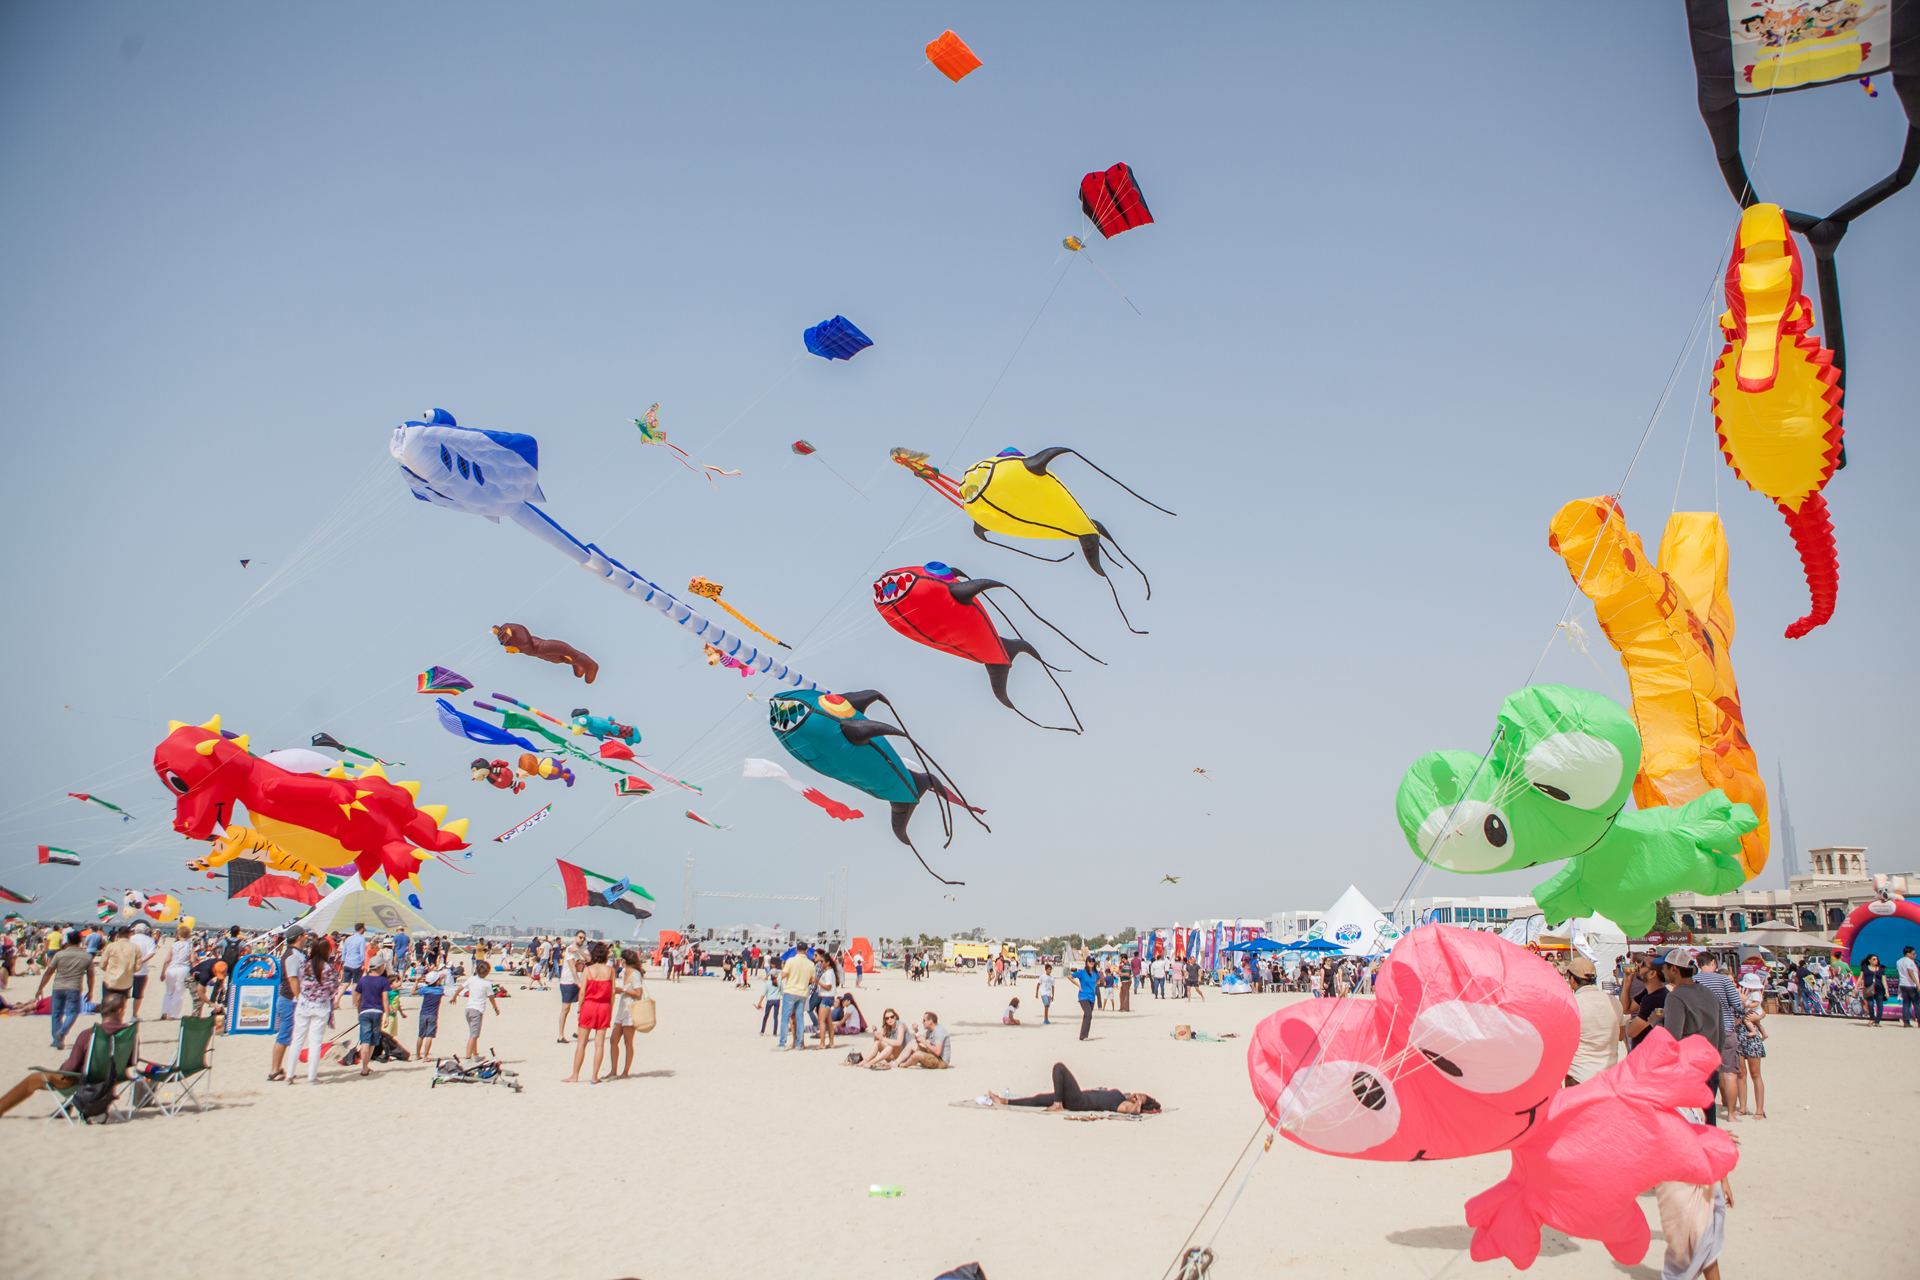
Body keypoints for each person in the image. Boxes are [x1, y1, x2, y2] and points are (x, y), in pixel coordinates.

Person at [0, 991, 131, 1117]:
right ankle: (67, 1106)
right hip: (114, 1079)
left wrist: (60, 1072)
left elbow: (70, 1067)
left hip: (84, 1082)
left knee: (34, 1079)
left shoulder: (89, 1034)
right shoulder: (128, 1034)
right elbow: (130, 1062)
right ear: (119, 1011)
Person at [1649, 947, 1727, 1124]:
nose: (1663, 971)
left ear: (1674, 969)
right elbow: (1721, 1034)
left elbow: (1672, 1038)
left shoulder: (1676, 997)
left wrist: (1655, 1021)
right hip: (1709, 1067)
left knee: (1688, 1124)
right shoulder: (1710, 994)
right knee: (1708, 1122)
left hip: (1688, 1070)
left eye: (1665, 968)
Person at [987, 1063, 1160, 1114]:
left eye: (1138, 1096)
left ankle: (1058, 1105)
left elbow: (1135, 1112)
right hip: (1078, 1098)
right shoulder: (1123, 1096)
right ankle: (1004, 1100)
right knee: (1040, 1098)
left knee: (1059, 1068)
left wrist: (1140, 1102)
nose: (1134, 1094)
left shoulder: (1126, 1105)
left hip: (1079, 1102)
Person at [1693, 954, 1743, 1116]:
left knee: (1704, 1073)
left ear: (1698, 964)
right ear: (1714, 962)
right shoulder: (1724, 980)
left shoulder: (1693, 981)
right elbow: (1737, 1004)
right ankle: (1731, 1114)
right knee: (1729, 1072)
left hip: (1702, 1031)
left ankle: (1705, 1109)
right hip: (1726, 1028)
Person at [289, 937, 339, 1085]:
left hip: (304, 1004)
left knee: (297, 1039)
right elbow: (334, 986)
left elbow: (299, 981)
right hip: (321, 1005)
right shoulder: (329, 967)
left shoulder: (305, 965)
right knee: (315, 1042)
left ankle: (289, 1075)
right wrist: (325, 996)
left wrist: (304, 995)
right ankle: (311, 1077)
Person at [1564, 956, 1621, 1085]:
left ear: (1572, 979)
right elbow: (1621, 1035)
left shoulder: (1572, 1004)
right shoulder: (1613, 1001)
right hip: (1609, 1077)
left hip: (1579, 1076)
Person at [33, 930, 94, 1051]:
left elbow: (49, 972)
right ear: (80, 941)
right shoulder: (87, 956)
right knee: (73, 1013)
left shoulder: (59, 955)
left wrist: (40, 988)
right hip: (74, 988)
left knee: (56, 1014)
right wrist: (90, 991)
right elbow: (90, 976)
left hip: (58, 987)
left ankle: (56, 1041)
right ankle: (62, 1032)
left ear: (68, 941)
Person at [565, 943, 614, 1083]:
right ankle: (594, 1076)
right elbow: (611, 993)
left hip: (589, 1005)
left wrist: (580, 1009)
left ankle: (575, 1075)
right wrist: (609, 1009)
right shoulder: (610, 971)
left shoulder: (588, 970)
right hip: (604, 1006)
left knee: (581, 1043)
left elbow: (582, 992)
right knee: (599, 1044)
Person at [268, 926, 307, 1081]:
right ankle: (274, 1071)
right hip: (289, 999)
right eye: (305, 936)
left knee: (290, 1036)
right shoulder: (291, 955)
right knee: (284, 1035)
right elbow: (292, 979)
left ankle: (282, 1068)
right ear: (299, 937)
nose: (306, 939)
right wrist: (300, 998)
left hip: (291, 999)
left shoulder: (298, 954)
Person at [352, 959, 392, 1076]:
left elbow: (357, 998)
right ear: (380, 967)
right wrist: (387, 1016)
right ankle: (366, 1065)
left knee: (365, 1040)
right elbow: (385, 998)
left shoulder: (363, 980)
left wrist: (359, 1012)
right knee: (373, 1041)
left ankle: (364, 1067)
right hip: (377, 1012)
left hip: (365, 1011)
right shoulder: (384, 981)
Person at [1735, 972, 1767, 1118]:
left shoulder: (1754, 995)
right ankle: (1742, 1107)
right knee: (1740, 1073)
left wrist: (1758, 1016)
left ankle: (1759, 1109)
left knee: (1755, 1073)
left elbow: (1761, 1011)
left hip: (1751, 1038)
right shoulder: (1736, 994)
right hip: (1739, 1035)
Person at [610, 949, 646, 1078]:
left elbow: (638, 993)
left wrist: (623, 990)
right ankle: (613, 1070)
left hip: (631, 1009)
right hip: (622, 1009)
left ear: (624, 961)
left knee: (628, 1041)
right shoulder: (625, 972)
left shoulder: (635, 974)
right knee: (613, 1040)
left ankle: (625, 1071)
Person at [1622, 955, 1668, 1052]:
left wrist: (1628, 1024)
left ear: (1652, 973)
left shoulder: (1655, 999)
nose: (1638, 966)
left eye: (1642, 964)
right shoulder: (1650, 992)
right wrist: (1627, 982)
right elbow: (1626, 1009)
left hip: (1648, 1056)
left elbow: (1631, 1032)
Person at [778, 944, 814, 1050]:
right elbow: (812, 980)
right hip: (802, 992)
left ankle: (782, 1044)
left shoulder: (791, 961)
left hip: (790, 991)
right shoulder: (810, 964)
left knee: (785, 1018)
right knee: (800, 1018)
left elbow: (783, 975)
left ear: (797, 950)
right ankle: (799, 1044)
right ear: (806, 950)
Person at [462, 960, 500, 1059]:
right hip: (477, 1010)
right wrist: (495, 1008)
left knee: (473, 1033)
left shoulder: (472, 979)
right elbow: (491, 997)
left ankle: (475, 1054)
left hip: (468, 1009)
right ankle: (468, 1057)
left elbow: (461, 988)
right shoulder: (487, 983)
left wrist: (454, 996)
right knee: (474, 1035)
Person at [98, 925, 139, 1015]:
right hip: (126, 981)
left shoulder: (111, 946)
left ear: (118, 935)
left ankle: (106, 1023)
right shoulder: (135, 947)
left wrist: (110, 970)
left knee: (106, 1003)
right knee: (122, 1006)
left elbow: (102, 964)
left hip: (110, 980)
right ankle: (119, 1021)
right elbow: (138, 967)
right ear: (129, 935)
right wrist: (128, 971)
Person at [415, 961, 448, 1063]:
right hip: (433, 1015)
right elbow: (439, 984)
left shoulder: (425, 989)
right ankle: (425, 1056)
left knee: (421, 1035)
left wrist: (416, 982)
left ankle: (417, 1055)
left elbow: (413, 992)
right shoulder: (439, 990)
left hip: (423, 1014)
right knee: (429, 1036)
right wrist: (440, 978)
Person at [160, 924, 194, 1020]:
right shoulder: (190, 945)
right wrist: (194, 970)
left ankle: (165, 1012)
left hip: (171, 968)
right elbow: (192, 960)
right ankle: (173, 1015)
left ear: (178, 934)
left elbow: (167, 960)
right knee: (179, 993)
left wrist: (163, 972)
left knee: (169, 992)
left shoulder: (174, 945)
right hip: (183, 969)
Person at [557, 938, 582, 1043]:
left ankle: (578, 1031)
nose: (582, 940)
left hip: (578, 981)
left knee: (582, 1007)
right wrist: (578, 982)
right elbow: (572, 968)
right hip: (568, 982)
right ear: (575, 938)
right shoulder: (570, 950)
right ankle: (560, 1035)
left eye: (583, 938)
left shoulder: (581, 951)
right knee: (566, 1009)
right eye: (580, 937)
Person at [814, 950, 839, 1050]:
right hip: (828, 997)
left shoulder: (828, 973)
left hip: (826, 997)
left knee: (821, 1020)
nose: (820, 964)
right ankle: (831, 1043)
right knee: (829, 1022)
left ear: (827, 963)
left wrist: (818, 982)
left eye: (822, 962)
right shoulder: (828, 972)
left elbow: (828, 986)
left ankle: (822, 1043)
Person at [1073, 958, 1098, 1041]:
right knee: (1088, 1013)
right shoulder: (1082, 972)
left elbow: (1099, 978)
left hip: (1092, 997)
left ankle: (1083, 1035)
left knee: (1088, 1016)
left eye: (1092, 962)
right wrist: (1078, 985)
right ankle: (1084, 1036)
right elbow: (1070, 976)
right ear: (1086, 963)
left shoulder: (1095, 973)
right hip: (1083, 996)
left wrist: (1096, 985)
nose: (1091, 963)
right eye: (1089, 962)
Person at [1861, 954, 1889, 1026]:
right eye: (1874, 959)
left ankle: (1877, 1021)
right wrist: (1856, 987)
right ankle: (1872, 1018)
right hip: (1869, 989)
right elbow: (1860, 977)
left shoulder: (1880, 970)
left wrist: (1886, 990)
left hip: (1879, 990)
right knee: (1870, 1004)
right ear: (1869, 960)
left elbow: (1884, 980)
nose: (1876, 961)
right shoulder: (1865, 968)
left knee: (1880, 1006)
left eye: (1876, 959)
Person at [756, 964, 782, 1034]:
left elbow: (763, 993)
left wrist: (760, 1002)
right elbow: (782, 992)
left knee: (766, 1016)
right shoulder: (779, 982)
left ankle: (762, 1031)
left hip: (769, 1000)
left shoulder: (767, 983)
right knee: (775, 1017)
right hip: (777, 1000)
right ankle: (775, 1032)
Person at [1898, 945, 1920, 1028]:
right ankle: (1919, 1021)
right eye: (1913, 953)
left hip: (1903, 984)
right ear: (1908, 954)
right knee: (1917, 1003)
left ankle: (1906, 1022)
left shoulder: (1899, 961)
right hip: (1910, 985)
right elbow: (1910, 973)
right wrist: (1917, 984)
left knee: (1906, 1003)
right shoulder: (1909, 962)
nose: (1915, 955)